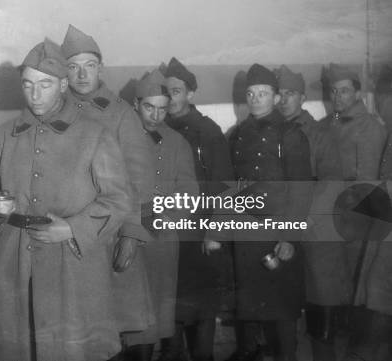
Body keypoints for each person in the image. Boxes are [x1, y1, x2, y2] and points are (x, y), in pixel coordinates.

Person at [0, 38, 132, 361]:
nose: (35, 94)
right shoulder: (3, 135)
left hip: (73, 263)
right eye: (28, 84)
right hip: (14, 258)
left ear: (63, 85)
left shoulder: (95, 134)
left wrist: (73, 228)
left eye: (45, 85)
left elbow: (118, 200)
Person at [60, 25, 154, 343]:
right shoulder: (54, 110)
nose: (82, 75)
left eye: (89, 65)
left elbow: (138, 180)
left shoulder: (121, 114)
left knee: (116, 322)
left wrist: (130, 233)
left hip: (111, 232)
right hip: (67, 230)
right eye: (73, 67)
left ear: (101, 68)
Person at [227, 63, 312, 361]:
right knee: (250, 309)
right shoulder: (238, 135)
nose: (256, 99)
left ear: (276, 97)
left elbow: (301, 190)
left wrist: (290, 238)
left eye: (263, 93)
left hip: (277, 234)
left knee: (282, 311)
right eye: (250, 93)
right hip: (246, 235)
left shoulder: (291, 135)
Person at [303, 63, 387, 361]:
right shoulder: (323, 127)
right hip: (325, 223)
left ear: (358, 92)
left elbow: (372, 183)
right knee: (327, 293)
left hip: (358, 222)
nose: (338, 97)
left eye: (345, 91)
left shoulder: (372, 129)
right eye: (333, 91)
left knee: (357, 294)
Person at [161, 57, 234, 361]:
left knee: (202, 313)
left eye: (176, 91)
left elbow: (223, 185)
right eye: (166, 91)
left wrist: (216, 230)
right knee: (170, 311)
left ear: (191, 93)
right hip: (169, 234)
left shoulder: (207, 131)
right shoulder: (156, 128)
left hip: (201, 234)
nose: (170, 98)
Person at [122, 70, 199, 361]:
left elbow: (189, 191)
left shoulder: (177, 142)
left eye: (163, 109)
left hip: (161, 241)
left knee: (151, 320)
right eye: (149, 107)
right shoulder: (117, 136)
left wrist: (170, 216)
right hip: (124, 235)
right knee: (125, 317)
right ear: (135, 103)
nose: (155, 115)